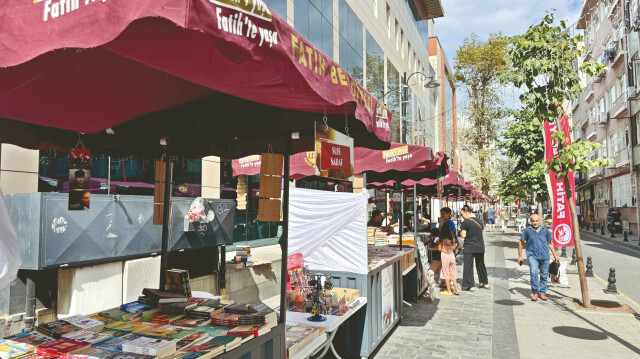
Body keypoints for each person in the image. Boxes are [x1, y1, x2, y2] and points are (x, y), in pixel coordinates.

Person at [518, 214, 560, 301]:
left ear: (540, 221)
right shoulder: (527, 231)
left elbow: (550, 243)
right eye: (533, 221)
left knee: (544, 275)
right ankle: (535, 292)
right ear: (531, 221)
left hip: (544, 256)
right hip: (532, 255)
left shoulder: (545, 230)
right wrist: (520, 256)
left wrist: (555, 254)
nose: (535, 223)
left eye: (537, 221)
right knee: (534, 273)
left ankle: (542, 292)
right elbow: (521, 242)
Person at [460, 208, 488, 291]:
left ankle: (470, 285)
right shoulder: (479, 221)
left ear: (466, 212)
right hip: (480, 245)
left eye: (462, 214)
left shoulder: (465, 222)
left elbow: (463, 236)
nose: (462, 216)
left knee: (468, 265)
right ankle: (484, 282)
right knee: (481, 264)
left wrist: (460, 231)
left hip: (469, 246)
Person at [438, 224, 460, 296]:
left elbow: (439, 249)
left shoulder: (442, 239)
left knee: (446, 273)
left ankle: (448, 290)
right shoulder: (452, 238)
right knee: (453, 272)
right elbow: (453, 248)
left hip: (445, 257)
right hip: (452, 256)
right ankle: (456, 289)